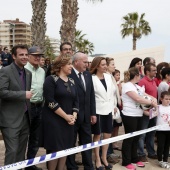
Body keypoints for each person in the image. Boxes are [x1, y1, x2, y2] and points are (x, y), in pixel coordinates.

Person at [40, 54, 78, 170]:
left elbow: (76, 101)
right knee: (55, 148)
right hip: (54, 120)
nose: (71, 66)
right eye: (69, 64)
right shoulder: (51, 80)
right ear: (61, 66)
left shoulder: (72, 81)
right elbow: (50, 101)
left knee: (65, 148)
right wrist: (66, 116)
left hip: (69, 121)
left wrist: (73, 117)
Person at [0, 44, 32, 165]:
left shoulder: (28, 73)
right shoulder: (5, 71)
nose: (24, 57)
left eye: (26, 55)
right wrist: (23, 94)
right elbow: (2, 92)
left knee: (21, 152)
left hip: (25, 119)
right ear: (13, 56)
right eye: (21, 55)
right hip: (10, 120)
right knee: (12, 151)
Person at [121, 67, 157, 170]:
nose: (140, 77)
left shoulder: (136, 86)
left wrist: (153, 98)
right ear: (136, 75)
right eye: (140, 75)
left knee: (136, 138)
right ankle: (126, 161)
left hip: (138, 114)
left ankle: (134, 158)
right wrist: (151, 103)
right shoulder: (127, 86)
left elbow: (144, 95)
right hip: (129, 115)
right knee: (129, 138)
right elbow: (137, 98)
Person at [66, 52, 96, 170]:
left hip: (86, 116)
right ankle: (72, 166)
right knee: (71, 142)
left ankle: (88, 166)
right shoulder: (68, 74)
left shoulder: (88, 75)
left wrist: (93, 113)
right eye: (84, 62)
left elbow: (91, 95)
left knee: (87, 142)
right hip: (72, 115)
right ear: (76, 62)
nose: (87, 64)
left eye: (87, 62)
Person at [89, 57, 116, 170]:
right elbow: (90, 97)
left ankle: (104, 157)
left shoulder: (109, 77)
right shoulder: (91, 78)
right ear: (97, 66)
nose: (106, 66)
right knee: (98, 135)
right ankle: (97, 159)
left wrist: (114, 106)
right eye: (103, 65)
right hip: (98, 110)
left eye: (106, 64)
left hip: (109, 109)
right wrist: (92, 112)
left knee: (108, 134)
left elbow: (113, 93)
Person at [25, 46, 45, 170]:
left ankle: (30, 164)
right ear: (29, 56)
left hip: (39, 107)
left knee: (35, 138)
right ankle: (18, 164)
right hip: (27, 107)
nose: (38, 58)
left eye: (40, 56)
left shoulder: (42, 71)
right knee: (23, 137)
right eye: (35, 55)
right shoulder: (24, 69)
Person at [138, 63, 158, 162]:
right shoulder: (142, 82)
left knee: (151, 133)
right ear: (147, 72)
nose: (156, 72)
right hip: (145, 113)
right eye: (154, 70)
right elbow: (140, 97)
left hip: (153, 112)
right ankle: (141, 153)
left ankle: (151, 152)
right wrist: (145, 111)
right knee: (142, 134)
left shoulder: (154, 81)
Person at [105, 58, 121, 164]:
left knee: (110, 131)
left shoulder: (111, 76)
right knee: (106, 132)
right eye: (112, 64)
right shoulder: (106, 77)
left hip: (113, 107)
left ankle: (109, 151)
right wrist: (112, 106)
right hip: (108, 108)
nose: (114, 66)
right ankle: (107, 154)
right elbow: (107, 94)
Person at [156, 91, 170, 169]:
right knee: (161, 145)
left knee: (167, 146)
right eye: (166, 99)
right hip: (160, 130)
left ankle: (165, 159)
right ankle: (160, 160)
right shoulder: (158, 107)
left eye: (169, 99)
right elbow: (152, 115)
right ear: (161, 99)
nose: (168, 100)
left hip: (168, 130)